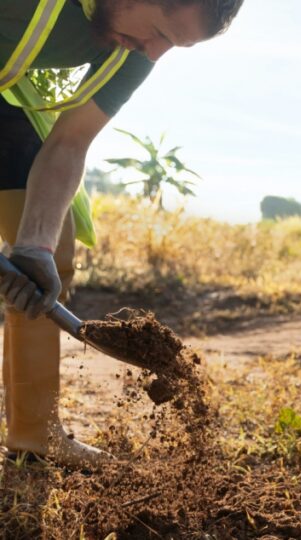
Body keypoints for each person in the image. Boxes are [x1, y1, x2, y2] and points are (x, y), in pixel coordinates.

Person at [0, 0, 243, 468]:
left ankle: (35, 437)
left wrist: (35, 244)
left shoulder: (135, 49)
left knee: (53, 237)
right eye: (159, 32)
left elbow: (71, 140)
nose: (154, 53)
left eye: (173, 46)